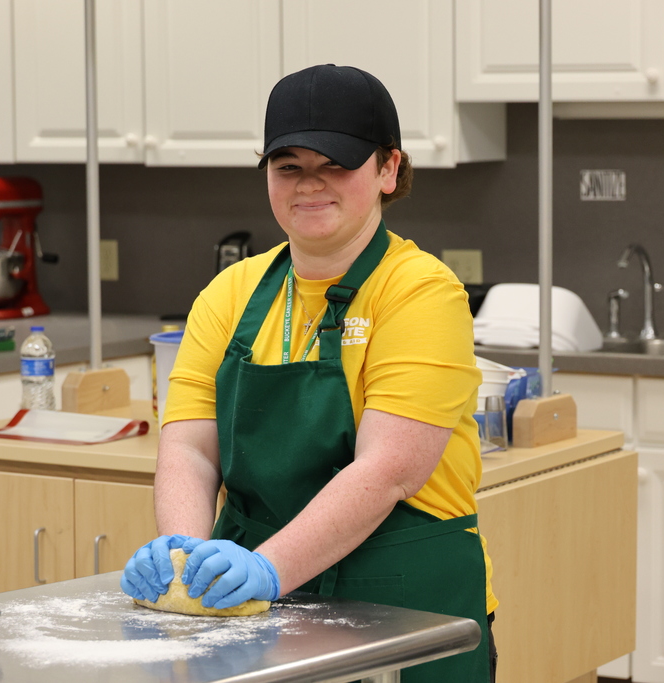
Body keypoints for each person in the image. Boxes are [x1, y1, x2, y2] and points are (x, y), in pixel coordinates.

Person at [121, 64, 497, 682]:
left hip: (404, 610)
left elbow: (387, 471)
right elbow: (189, 445)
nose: (310, 184)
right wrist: (184, 559)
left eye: (336, 164)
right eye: (288, 166)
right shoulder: (230, 293)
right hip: (251, 612)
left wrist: (267, 570)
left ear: (389, 169)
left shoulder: (421, 293)